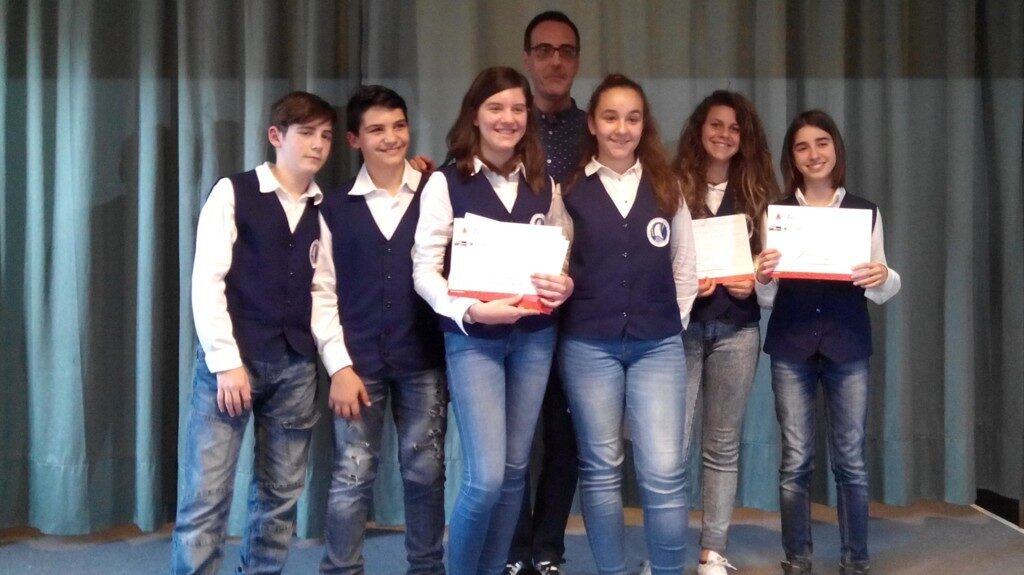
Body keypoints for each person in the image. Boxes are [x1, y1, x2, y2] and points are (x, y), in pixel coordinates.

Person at [412, 66, 573, 575]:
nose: (508, 118)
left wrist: (564, 284)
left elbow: (560, 257)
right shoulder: (445, 182)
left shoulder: (544, 184)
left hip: (534, 338)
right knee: (485, 478)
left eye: (518, 109)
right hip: (474, 339)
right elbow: (423, 270)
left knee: (515, 471)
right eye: (496, 107)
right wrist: (469, 310)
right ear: (475, 115)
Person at [172, 91, 336, 574]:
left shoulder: (324, 208)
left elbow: (322, 290)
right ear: (276, 136)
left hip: (295, 368)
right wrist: (226, 362)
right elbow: (207, 281)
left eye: (326, 135)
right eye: (306, 133)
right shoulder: (233, 192)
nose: (318, 144)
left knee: (280, 498)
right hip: (232, 365)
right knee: (206, 495)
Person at [558, 73, 697, 575]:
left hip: (657, 345)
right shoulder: (568, 189)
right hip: (587, 346)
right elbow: (556, 262)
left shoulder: (668, 185)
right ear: (593, 124)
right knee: (601, 470)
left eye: (633, 118)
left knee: (664, 471)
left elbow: (685, 266)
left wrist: (665, 320)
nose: (622, 128)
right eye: (611, 117)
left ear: (644, 125)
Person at [755, 110, 901, 575]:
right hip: (791, 345)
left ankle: (855, 560)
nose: (813, 154)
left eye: (822, 143)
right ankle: (797, 559)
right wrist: (762, 275)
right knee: (795, 460)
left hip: (847, 344)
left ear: (836, 148)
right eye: (802, 146)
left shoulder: (865, 211)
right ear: (792, 157)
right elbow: (766, 297)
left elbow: (881, 285)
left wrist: (884, 274)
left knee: (851, 460)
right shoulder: (776, 214)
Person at [311, 85, 447, 574]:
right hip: (358, 365)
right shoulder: (333, 208)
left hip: (423, 360)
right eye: (376, 130)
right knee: (352, 475)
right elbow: (321, 292)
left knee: (426, 471)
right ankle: (341, 569)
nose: (391, 138)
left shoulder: (437, 191)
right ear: (354, 140)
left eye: (398, 126)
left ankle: (427, 568)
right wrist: (339, 367)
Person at [672, 90, 780, 575]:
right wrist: (682, 283)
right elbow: (654, 261)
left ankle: (712, 550)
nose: (725, 134)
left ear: (745, 137)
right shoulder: (672, 187)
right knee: (671, 447)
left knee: (721, 446)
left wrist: (755, 281)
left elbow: (772, 274)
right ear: (699, 129)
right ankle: (666, 549)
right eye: (716, 124)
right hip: (680, 331)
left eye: (735, 128)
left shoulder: (760, 194)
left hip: (737, 331)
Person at [506, 10, 586, 575]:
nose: (555, 60)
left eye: (566, 50)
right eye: (543, 50)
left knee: (566, 435)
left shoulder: (596, 129)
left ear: (576, 60)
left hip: (583, 307)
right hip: (513, 305)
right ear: (528, 58)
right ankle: (514, 549)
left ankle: (548, 547)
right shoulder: (506, 121)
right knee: (513, 440)